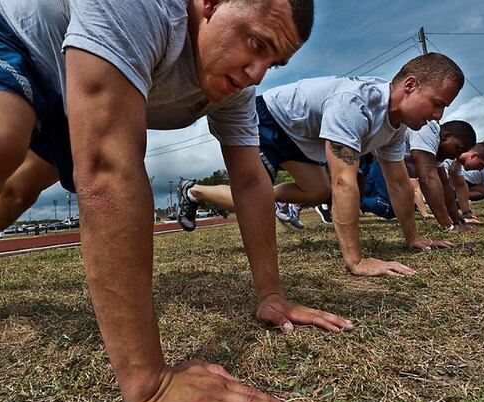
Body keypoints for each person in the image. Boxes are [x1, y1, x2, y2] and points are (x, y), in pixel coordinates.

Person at [0, 0, 345, 402]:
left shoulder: (237, 87)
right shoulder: (142, 7)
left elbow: (250, 182)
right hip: (16, 34)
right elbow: (109, 172)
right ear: (209, 3)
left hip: (81, 80)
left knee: (20, 189)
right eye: (256, 44)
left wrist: (271, 294)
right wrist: (150, 385)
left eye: (274, 61)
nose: (257, 72)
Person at [178, 53, 464, 277]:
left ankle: (197, 192)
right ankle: (195, 193)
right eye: (436, 103)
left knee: (316, 192)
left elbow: (399, 183)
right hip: (268, 118)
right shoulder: (355, 104)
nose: (438, 116)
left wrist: (412, 237)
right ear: (411, 85)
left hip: (299, 137)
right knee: (256, 198)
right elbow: (343, 182)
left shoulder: (397, 127)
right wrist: (357, 261)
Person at [360, 120, 477, 230]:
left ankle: (350, 200)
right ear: (445, 137)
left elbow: (445, 185)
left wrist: (457, 221)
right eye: (458, 149)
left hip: (374, 159)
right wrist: (447, 225)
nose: (457, 156)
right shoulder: (427, 130)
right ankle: (346, 201)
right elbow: (427, 179)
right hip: (365, 155)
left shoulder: (437, 152)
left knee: (385, 207)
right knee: (385, 206)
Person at [438, 141, 484, 220]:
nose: (481, 169)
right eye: (482, 165)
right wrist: (455, 219)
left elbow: (460, 186)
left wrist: (466, 212)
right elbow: (441, 184)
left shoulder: (457, 162)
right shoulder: (447, 157)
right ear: (474, 155)